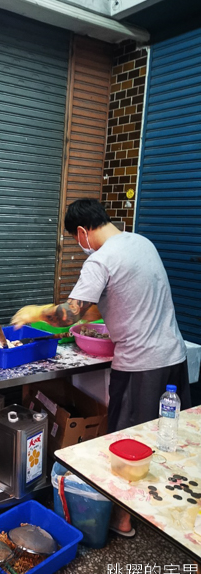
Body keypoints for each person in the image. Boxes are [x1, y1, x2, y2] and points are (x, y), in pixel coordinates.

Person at [11, 198, 191, 535]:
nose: (80, 247)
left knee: (128, 442)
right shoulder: (140, 242)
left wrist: (36, 311)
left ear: (82, 231)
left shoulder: (101, 259)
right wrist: (65, 315)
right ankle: (158, 507)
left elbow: (70, 314)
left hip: (141, 364)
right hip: (174, 358)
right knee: (163, 438)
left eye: (75, 240)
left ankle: (123, 521)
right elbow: (96, 310)